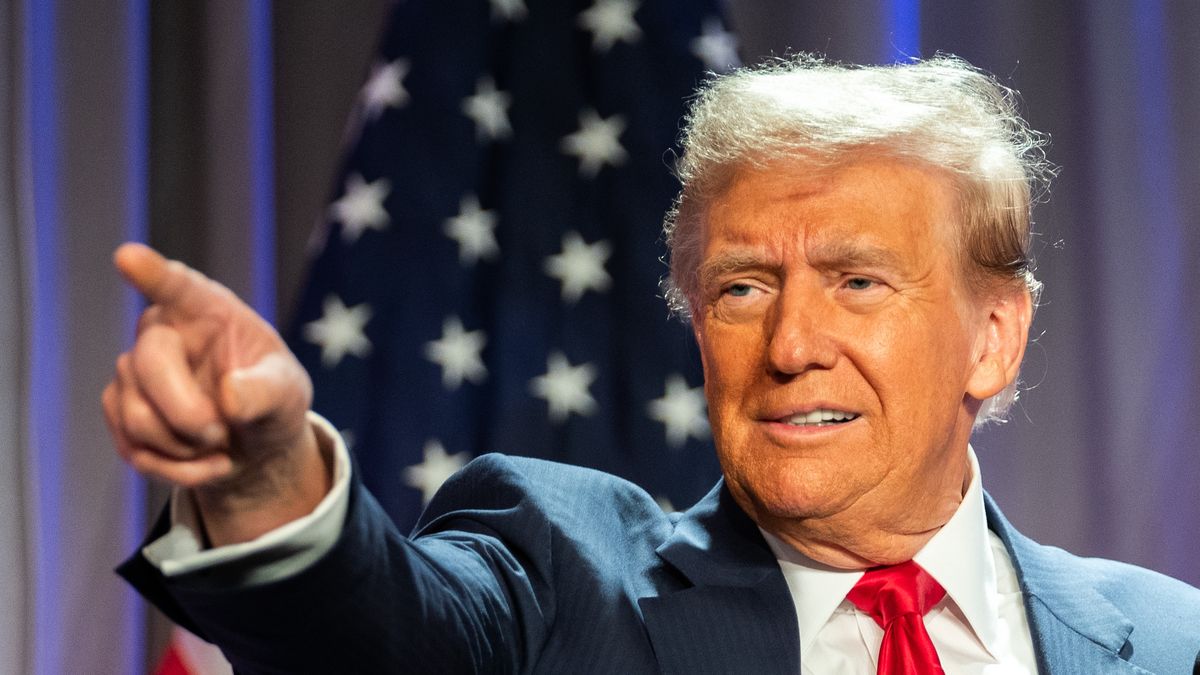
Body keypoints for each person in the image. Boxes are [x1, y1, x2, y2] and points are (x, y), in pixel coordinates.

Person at [109, 55, 1200, 674]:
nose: (789, 346)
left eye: (858, 282)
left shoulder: (1168, 641)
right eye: (742, 288)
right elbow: (381, 638)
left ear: (992, 338)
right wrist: (264, 482)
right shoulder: (560, 582)